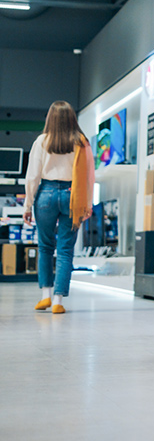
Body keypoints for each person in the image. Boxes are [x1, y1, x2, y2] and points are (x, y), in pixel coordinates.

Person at [24, 101, 94, 314]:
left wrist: (28, 204)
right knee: (65, 250)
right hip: (72, 195)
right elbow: (89, 176)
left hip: (45, 194)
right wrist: (88, 204)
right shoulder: (81, 142)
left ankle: (44, 295)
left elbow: (32, 176)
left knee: (45, 247)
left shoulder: (42, 141)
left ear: (50, 119)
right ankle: (58, 300)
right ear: (72, 118)